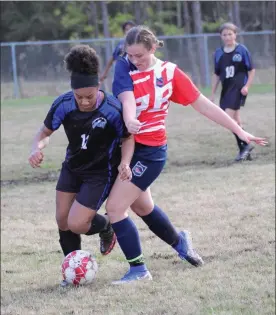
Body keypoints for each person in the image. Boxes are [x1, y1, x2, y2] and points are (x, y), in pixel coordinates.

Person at [105, 25, 267, 285]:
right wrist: (130, 119)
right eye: (131, 55)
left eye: (140, 56)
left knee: (114, 208)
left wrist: (239, 130)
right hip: (128, 146)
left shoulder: (169, 73)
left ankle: (139, 270)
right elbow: (126, 99)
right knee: (142, 206)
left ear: (154, 47)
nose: (134, 60)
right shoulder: (125, 65)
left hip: (151, 153)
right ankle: (181, 243)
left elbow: (204, 105)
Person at [28, 44, 134, 286]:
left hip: (99, 172)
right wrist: (36, 148)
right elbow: (44, 132)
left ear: (98, 87)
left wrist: (125, 163)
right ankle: (71, 273)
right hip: (72, 167)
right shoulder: (63, 104)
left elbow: (128, 138)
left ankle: (107, 225)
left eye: (90, 96)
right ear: (72, 92)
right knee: (63, 221)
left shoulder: (111, 108)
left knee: (77, 223)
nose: (85, 102)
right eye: (79, 97)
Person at [211, 22, 256, 162]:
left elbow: (251, 69)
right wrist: (212, 93)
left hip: (238, 88)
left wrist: (247, 86)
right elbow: (217, 74)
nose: (227, 37)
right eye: (224, 34)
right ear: (221, 36)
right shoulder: (218, 53)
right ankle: (245, 149)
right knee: (236, 121)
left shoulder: (242, 50)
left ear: (235, 34)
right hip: (226, 89)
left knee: (227, 118)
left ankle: (246, 145)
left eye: (230, 34)